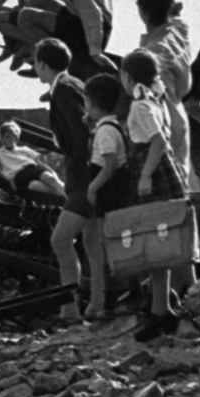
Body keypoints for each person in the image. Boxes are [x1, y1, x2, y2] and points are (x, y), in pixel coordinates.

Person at [121, 49, 189, 341]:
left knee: (154, 246)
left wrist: (145, 175)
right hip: (164, 175)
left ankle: (160, 311)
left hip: (154, 177)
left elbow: (158, 141)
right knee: (159, 246)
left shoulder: (140, 105)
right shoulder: (156, 101)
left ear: (128, 77)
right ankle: (161, 307)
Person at [34, 38, 90, 323]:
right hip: (89, 175)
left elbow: (81, 135)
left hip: (84, 177)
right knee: (92, 242)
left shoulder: (63, 89)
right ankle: (93, 305)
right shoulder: (73, 84)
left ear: (43, 64)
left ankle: (70, 309)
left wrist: (77, 172)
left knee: (61, 240)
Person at [82, 74, 132, 319]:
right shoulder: (113, 125)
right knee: (114, 246)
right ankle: (117, 297)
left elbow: (110, 164)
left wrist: (93, 187)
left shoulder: (105, 131)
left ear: (92, 103)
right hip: (116, 194)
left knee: (109, 246)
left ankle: (111, 300)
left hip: (110, 194)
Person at [136, 0, 192, 177]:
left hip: (164, 132)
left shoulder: (151, 55)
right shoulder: (178, 32)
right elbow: (177, 21)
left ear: (142, 10)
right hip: (180, 119)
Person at [0, 121, 65, 196]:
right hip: (19, 176)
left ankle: (68, 193)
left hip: (33, 169)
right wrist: (9, 181)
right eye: (2, 137)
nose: (4, 139)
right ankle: (63, 196)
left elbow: (39, 162)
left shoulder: (24, 149)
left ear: (15, 138)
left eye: (7, 137)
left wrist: (52, 171)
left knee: (50, 178)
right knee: (35, 186)